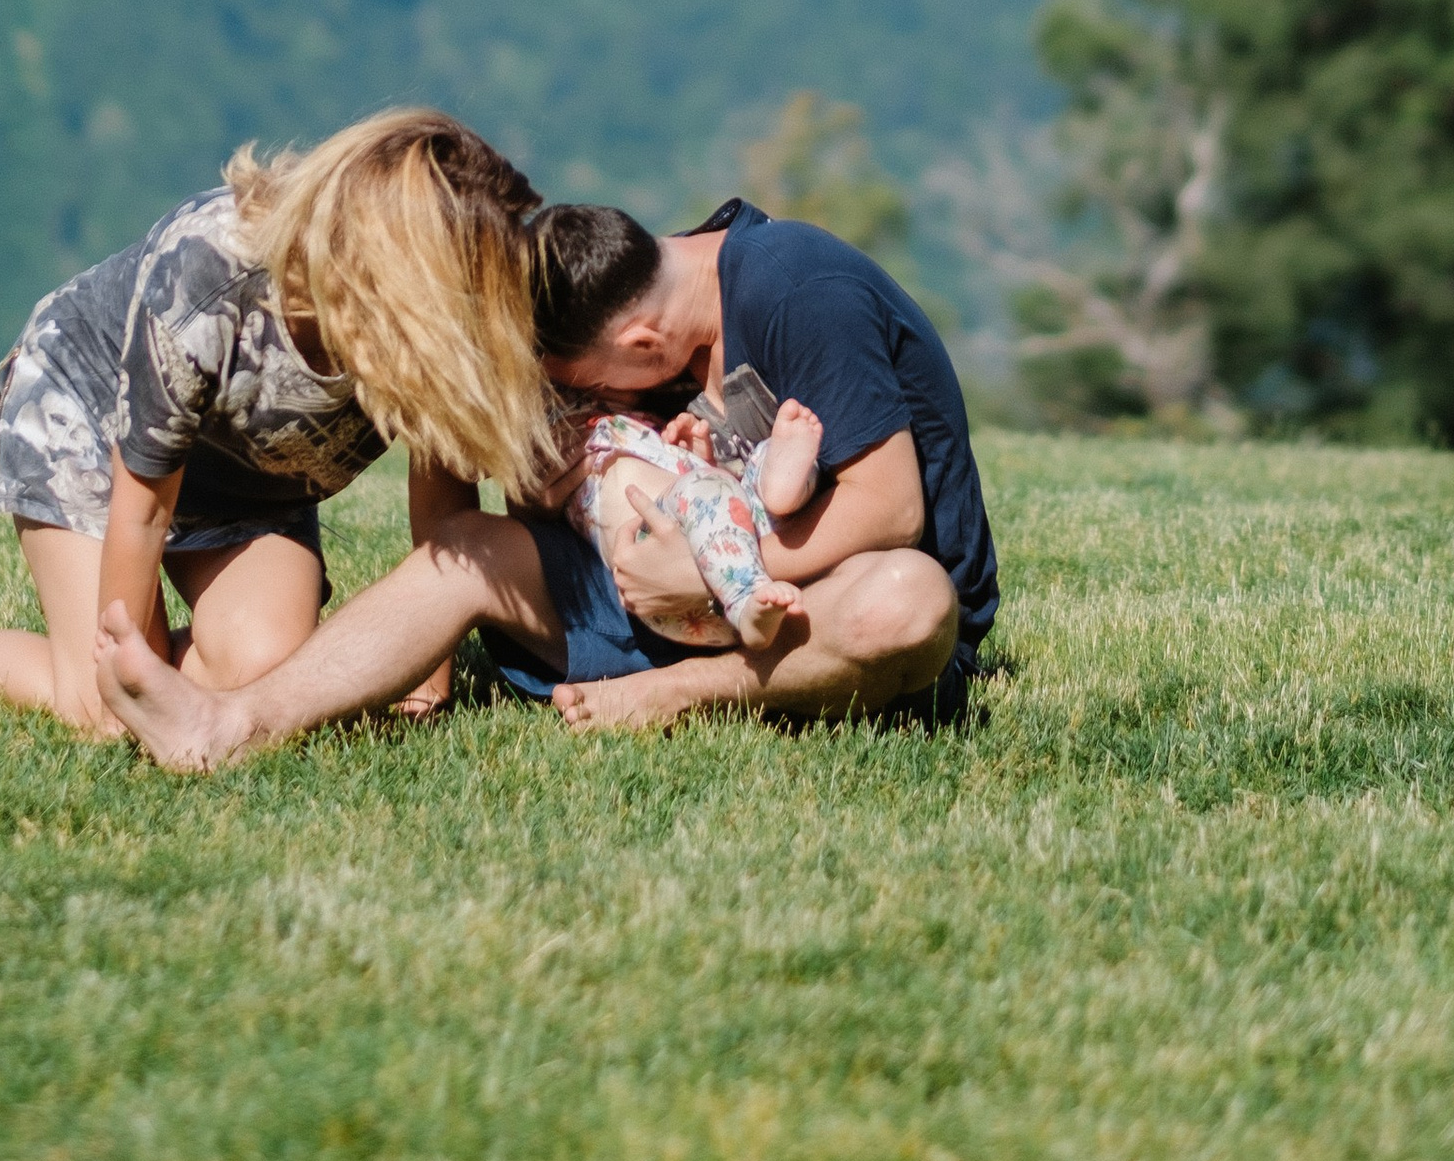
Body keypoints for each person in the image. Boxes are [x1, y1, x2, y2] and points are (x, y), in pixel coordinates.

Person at [91, 191, 991, 765]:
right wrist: (553, 484)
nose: (588, 400)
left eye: (587, 383)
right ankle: (229, 726)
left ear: (640, 342)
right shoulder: (630, 296)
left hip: (816, 615)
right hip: (655, 597)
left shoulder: (796, 287)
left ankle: (679, 694)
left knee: (906, 602)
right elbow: (522, 488)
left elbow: (892, 508)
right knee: (467, 548)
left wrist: (710, 570)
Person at [0, 108, 551, 731]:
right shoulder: (207, 277)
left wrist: (425, 668)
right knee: (106, 712)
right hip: (89, 416)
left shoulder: (440, 326)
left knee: (261, 672)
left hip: (248, 479)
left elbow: (443, 502)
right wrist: (131, 678)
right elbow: (143, 512)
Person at [569, 390, 824, 650]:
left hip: (725, 542)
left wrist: (698, 460)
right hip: (657, 578)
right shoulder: (571, 440)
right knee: (707, 487)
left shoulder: (636, 419)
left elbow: (710, 503)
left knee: (756, 464)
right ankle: (744, 598)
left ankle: (776, 491)